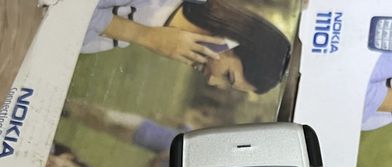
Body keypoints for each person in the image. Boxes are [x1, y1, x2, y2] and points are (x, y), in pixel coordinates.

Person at [82, 0, 292, 94]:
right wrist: (145, 36)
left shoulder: (118, 41)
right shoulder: (155, 10)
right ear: (232, 40)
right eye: (228, 76)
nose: (211, 81)